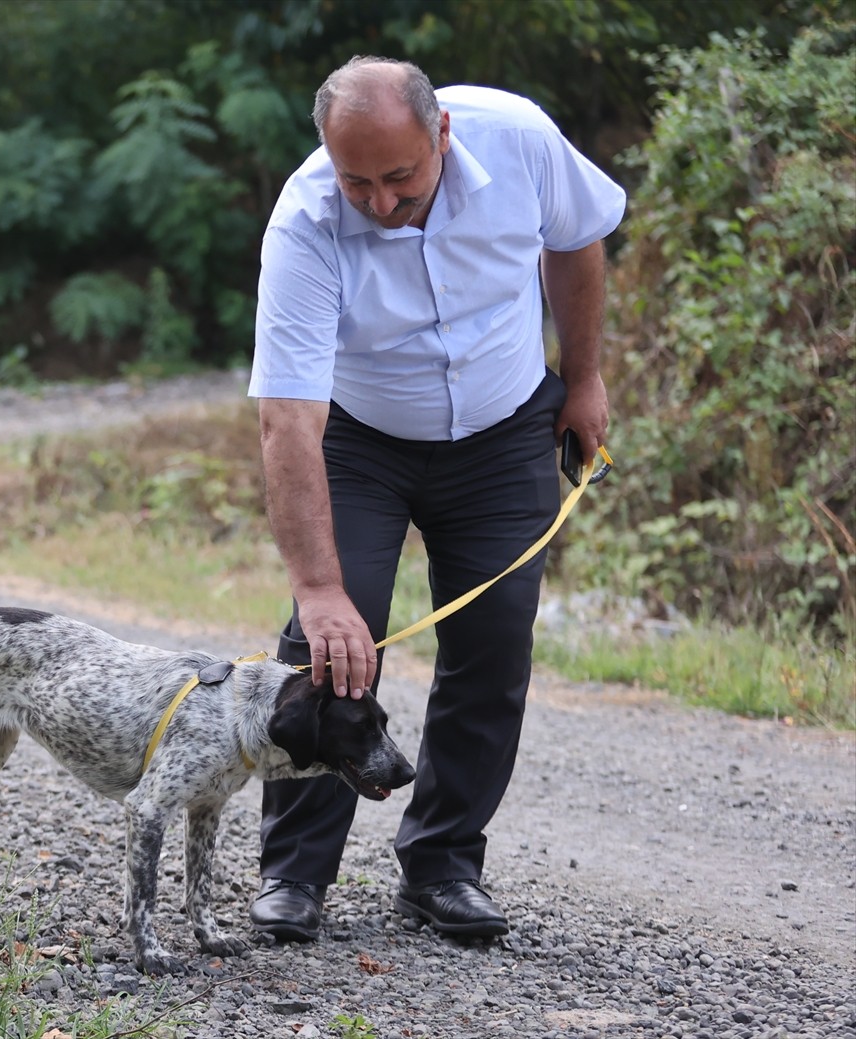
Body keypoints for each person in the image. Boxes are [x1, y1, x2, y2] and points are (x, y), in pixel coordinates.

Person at [247, 56, 625, 941]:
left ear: (441, 134)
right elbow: (288, 422)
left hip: (501, 433)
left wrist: (587, 375)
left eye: (400, 176)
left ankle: (443, 865)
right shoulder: (304, 222)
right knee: (331, 644)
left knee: (493, 650)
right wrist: (319, 585)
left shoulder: (521, 139)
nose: (378, 201)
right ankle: (294, 878)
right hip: (362, 443)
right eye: (357, 181)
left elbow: (576, 240)